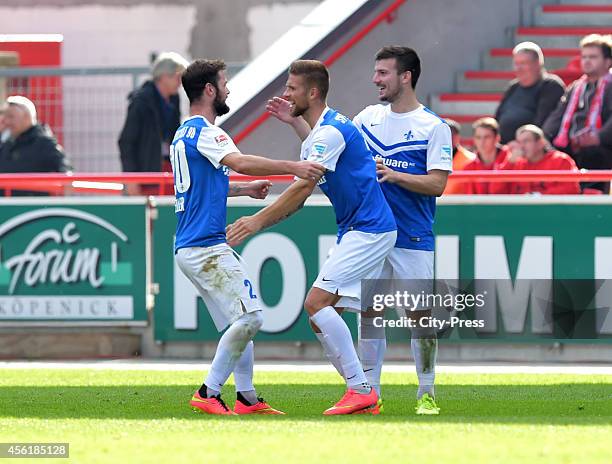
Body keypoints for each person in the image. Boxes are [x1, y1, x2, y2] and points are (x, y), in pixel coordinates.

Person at [227, 59, 397, 416]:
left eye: (292, 88)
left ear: (313, 92)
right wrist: (295, 123)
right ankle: (362, 390)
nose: (286, 93)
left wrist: (256, 222)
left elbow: (303, 188)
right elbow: (316, 158)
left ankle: (361, 389)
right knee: (324, 311)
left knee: (317, 304)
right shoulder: (325, 129)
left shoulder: (330, 133)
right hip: (359, 228)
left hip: (369, 229)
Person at [175, 59, 326, 416]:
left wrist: (244, 190)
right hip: (205, 245)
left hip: (190, 245)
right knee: (251, 318)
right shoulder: (209, 132)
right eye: (224, 83)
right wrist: (294, 166)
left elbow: (201, 188)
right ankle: (209, 392)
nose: (228, 89)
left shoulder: (183, 134)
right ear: (209, 90)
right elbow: (239, 161)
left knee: (240, 320)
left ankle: (247, 398)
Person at [543, 34, 612, 193]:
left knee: (593, 153)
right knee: (552, 153)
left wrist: (598, 137)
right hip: (573, 144)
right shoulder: (576, 87)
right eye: (584, 57)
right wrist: (543, 137)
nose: (587, 61)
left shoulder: (610, 85)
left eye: (593, 57)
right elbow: (558, 115)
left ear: (608, 61)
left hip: (602, 146)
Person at [118, 52, 188, 194]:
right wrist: (131, 178)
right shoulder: (141, 101)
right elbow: (126, 141)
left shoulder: (174, 99)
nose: (180, 83)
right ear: (163, 76)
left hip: (168, 168)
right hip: (147, 171)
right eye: (177, 77)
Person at [495, 42, 565, 144]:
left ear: (538, 64)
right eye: (516, 64)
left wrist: (519, 144)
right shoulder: (513, 87)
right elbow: (497, 118)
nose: (518, 69)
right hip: (504, 148)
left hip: (531, 149)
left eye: (523, 63)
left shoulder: (550, 86)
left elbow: (542, 124)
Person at [0, 96, 69, 195]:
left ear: (27, 117)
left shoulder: (44, 143)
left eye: (11, 117)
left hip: (32, 206)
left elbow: (64, 168)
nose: (6, 122)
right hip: (6, 206)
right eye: (5, 117)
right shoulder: (6, 142)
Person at [505, 124, 580, 194]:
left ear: (541, 143)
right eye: (519, 142)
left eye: (526, 141)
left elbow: (571, 189)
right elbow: (496, 191)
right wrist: (509, 164)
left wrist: (539, 196)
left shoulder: (560, 160)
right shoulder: (516, 163)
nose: (521, 147)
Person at [463, 117, 512, 194]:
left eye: (487, 137)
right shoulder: (469, 167)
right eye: (478, 137)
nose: (482, 142)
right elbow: (470, 201)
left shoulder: (511, 159)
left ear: (497, 138)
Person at [443, 118, 477, 194]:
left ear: (457, 137)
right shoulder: (429, 157)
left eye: (449, 135)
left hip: (461, 202)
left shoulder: (471, 159)